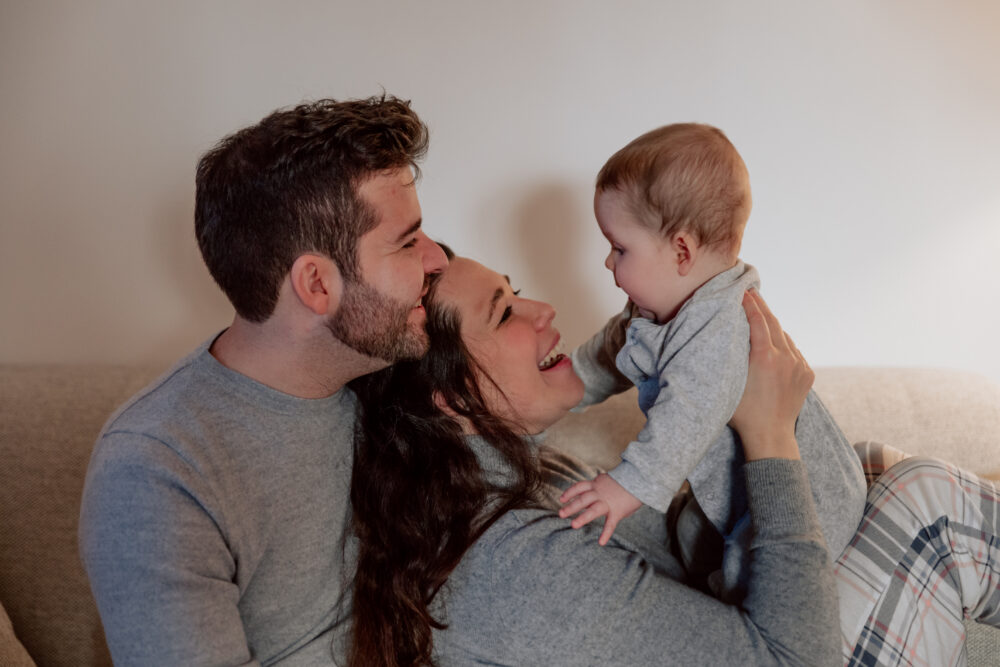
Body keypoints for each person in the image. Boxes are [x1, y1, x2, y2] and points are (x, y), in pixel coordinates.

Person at [349, 253, 1000, 666]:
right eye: (505, 313)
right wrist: (770, 435)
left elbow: (686, 550)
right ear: (450, 399)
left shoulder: (521, 475)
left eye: (515, 290)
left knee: (871, 466)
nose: (543, 310)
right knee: (928, 502)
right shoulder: (518, 567)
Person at [78, 95, 449, 665]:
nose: (437, 259)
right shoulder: (156, 470)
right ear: (317, 285)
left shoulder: (385, 374)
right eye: (406, 242)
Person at [561, 123, 865, 599]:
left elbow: (688, 414)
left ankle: (730, 608)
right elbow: (613, 350)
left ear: (681, 251)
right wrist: (566, 384)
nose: (607, 262)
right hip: (734, 491)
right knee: (689, 533)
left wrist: (626, 485)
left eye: (619, 248)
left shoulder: (720, 325)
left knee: (745, 571)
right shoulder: (661, 308)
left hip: (807, 503)